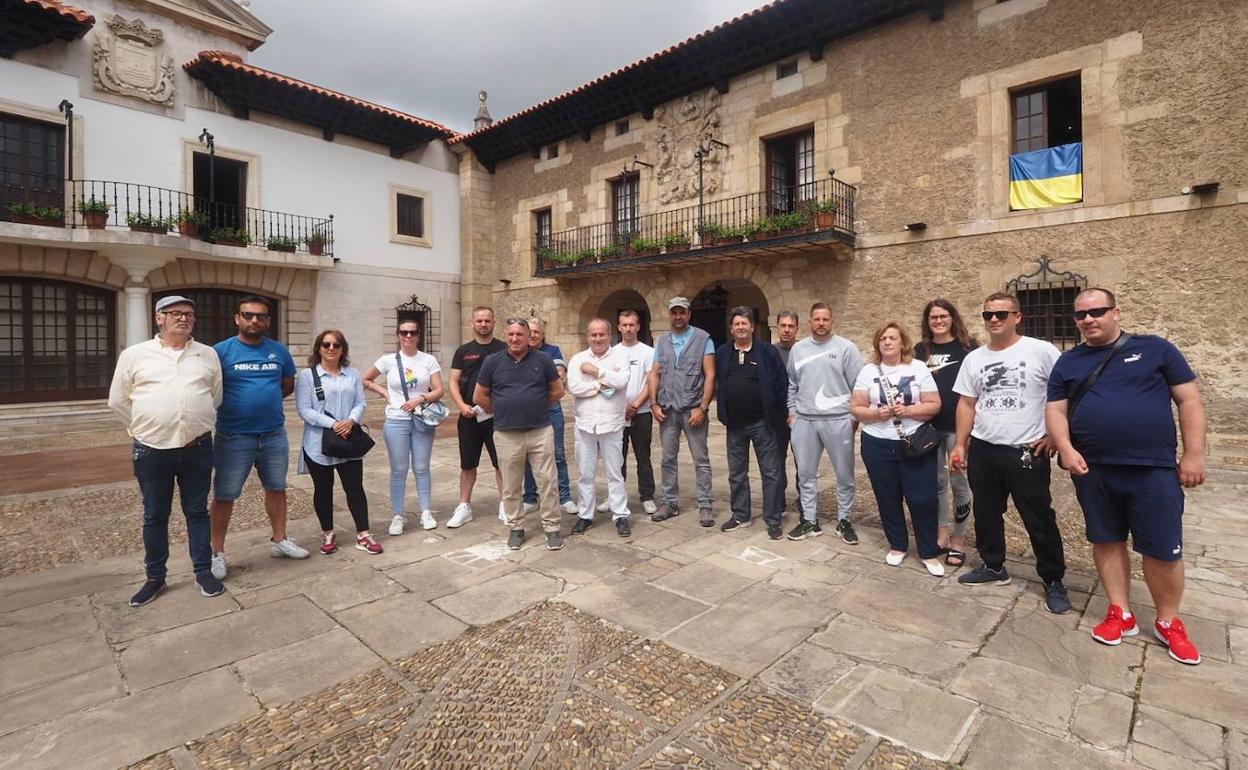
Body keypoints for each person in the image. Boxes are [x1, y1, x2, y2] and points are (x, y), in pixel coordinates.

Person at [1047, 288, 1207, 664]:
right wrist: (1066, 449)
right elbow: (1055, 410)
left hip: (1152, 468)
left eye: (1097, 311)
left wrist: (1194, 454)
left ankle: (1168, 621)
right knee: (1106, 540)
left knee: (1162, 548)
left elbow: (1189, 400)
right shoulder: (1068, 362)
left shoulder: (1155, 349)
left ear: (1116, 312)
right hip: (1094, 468)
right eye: (1081, 314)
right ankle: (1121, 612)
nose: (1088, 319)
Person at [950, 292, 1070, 614]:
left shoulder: (1042, 351)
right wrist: (960, 443)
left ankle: (1053, 579)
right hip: (984, 448)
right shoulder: (975, 359)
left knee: (1038, 516)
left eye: (1001, 314)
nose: (994, 320)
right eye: (988, 314)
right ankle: (993, 565)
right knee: (986, 512)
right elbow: (966, 403)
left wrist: (1056, 436)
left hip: (1027, 449)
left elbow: (1064, 394)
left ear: (1017, 317)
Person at [108, 295, 224, 606]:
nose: (183, 318)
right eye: (175, 313)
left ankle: (203, 571)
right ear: (159, 318)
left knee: (197, 512)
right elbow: (118, 400)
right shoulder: (135, 355)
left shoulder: (207, 354)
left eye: (188, 314)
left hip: (197, 447)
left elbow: (215, 396)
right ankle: (155, 577)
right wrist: (142, 428)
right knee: (155, 515)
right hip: (152, 449)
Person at [209, 296, 308, 579]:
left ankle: (280, 540)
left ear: (268, 321)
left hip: (273, 433)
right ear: (237, 318)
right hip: (234, 436)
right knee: (225, 494)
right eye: (248, 315)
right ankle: (216, 552)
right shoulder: (220, 352)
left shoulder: (278, 351)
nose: (254, 320)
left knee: (277, 488)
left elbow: (287, 386)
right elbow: (210, 389)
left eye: (261, 316)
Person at [851, 322, 945, 576]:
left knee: (923, 498)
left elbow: (934, 404)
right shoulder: (868, 371)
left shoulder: (918, 368)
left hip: (915, 443)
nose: (888, 342)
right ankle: (897, 545)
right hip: (878, 443)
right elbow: (856, 408)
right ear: (877, 343)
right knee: (887, 497)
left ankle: (928, 551)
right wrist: (875, 414)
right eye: (883, 338)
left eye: (893, 338)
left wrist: (909, 410)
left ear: (902, 342)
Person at [475, 317, 565, 551]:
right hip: (506, 434)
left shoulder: (543, 360)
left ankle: (552, 527)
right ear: (506, 335)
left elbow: (558, 391)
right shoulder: (492, 362)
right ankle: (516, 527)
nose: (515, 338)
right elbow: (479, 396)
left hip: (540, 430)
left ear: (528, 336)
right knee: (511, 485)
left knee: (547, 482)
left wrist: (537, 405)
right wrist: (501, 409)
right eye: (511, 334)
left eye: (520, 334)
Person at [296, 330, 381, 555]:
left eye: (336, 344)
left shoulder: (352, 374)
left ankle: (364, 534)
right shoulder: (307, 376)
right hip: (318, 442)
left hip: (348, 439)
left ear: (343, 349)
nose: (331, 348)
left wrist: (351, 421)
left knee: (355, 487)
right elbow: (304, 409)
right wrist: (333, 424)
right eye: (326, 344)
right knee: (323, 489)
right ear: (319, 348)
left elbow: (360, 403)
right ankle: (328, 532)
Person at [785, 302, 863, 542]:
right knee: (806, 475)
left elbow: (858, 387)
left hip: (838, 420)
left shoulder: (846, 348)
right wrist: (793, 413)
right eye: (817, 319)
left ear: (832, 321)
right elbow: (792, 384)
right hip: (805, 421)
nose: (821, 323)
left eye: (825, 319)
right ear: (810, 322)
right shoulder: (798, 349)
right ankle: (809, 521)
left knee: (844, 475)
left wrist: (853, 417)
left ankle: (844, 521)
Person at [362, 319, 444, 534]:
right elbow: (366, 379)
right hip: (396, 420)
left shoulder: (428, 360)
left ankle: (426, 511)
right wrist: (384, 392)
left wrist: (421, 398)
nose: (408, 336)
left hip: (422, 420)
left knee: (422, 467)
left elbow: (439, 390)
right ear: (398, 335)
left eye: (412, 332)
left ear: (418, 335)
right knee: (398, 470)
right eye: (404, 332)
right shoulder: (388, 360)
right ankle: (398, 514)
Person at [715, 307, 789, 540]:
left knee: (771, 472)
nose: (740, 327)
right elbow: (719, 382)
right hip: (734, 425)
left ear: (752, 327)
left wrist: (778, 415)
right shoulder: (723, 352)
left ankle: (773, 519)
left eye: (744, 323)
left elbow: (782, 384)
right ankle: (740, 514)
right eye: (736, 324)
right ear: (731, 328)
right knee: (737, 473)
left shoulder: (767, 352)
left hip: (763, 423)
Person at [915, 299, 978, 566]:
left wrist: (972, 429)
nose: (939, 321)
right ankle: (941, 533)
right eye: (933, 317)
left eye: (943, 316)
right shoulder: (921, 350)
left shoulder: (968, 348)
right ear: (927, 321)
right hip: (929, 428)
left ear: (952, 318)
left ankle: (959, 539)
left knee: (959, 483)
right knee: (937, 483)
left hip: (958, 428)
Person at [647, 296, 716, 526]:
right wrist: (653, 403)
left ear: (689, 314)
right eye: (674, 312)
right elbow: (655, 373)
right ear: (669, 315)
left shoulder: (703, 339)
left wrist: (703, 407)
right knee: (667, 458)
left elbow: (710, 375)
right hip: (667, 410)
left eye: (682, 312)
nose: (678, 316)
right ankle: (670, 503)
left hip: (693, 409)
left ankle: (705, 504)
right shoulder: (662, 341)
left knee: (701, 459)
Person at [567, 319, 633, 536]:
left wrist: (595, 371)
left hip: (611, 424)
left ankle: (620, 514)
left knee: (615, 473)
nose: (598, 338)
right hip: (585, 425)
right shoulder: (578, 359)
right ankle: (585, 515)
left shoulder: (620, 357)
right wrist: (600, 384)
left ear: (609, 335)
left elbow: (621, 381)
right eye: (593, 335)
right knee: (585, 473)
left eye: (602, 334)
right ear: (588, 336)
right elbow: (574, 387)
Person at [448, 306, 506, 527]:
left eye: (487, 320)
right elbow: (453, 381)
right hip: (469, 416)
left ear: (493, 322)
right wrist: (461, 405)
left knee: (501, 463)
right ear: (472, 322)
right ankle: (464, 506)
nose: (483, 324)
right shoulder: (463, 351)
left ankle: (505, 504)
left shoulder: (503, 348)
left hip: (497, 417)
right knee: (467, 464)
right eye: (479, 320)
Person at [596, 309, 656, 516]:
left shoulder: (648, 352)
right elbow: (605, 382)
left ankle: (647, 496)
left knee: (643, 456)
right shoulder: (611, 353)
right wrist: (620, 406)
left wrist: (635, 405)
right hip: (616, 414)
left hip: (642, 412)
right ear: (619, 327)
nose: (628, 329)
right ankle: (615, 496)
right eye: (625, 325)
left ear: (638, 327)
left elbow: (651, 382)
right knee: (615, 458)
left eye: (632, 325)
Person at [522, 318, 577, 515]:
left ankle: (565, 497)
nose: (533, 335)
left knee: (558, 454)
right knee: (527, 454)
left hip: (551, 408)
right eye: (530, 331)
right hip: (527, 411)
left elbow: (559, 376)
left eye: (537, 331)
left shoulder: (553, 351)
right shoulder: (519, 352)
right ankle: (530, 497)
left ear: (543, 334)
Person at [774, 310, 802, 515]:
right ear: (777, 327)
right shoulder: (770, 352)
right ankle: (778, 499)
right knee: (777, 460)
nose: (786, 330)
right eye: (783, 325)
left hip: (801, 415)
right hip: (777, 415)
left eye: (791, 326)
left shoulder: (804, 351)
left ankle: (805, 498)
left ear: (797, 328)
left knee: (803, 460)